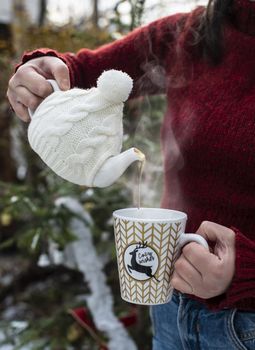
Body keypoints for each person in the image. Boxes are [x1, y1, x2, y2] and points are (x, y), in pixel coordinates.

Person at [7, 0, 255, 349]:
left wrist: (247, 272)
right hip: (170, 309)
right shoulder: (189, 35)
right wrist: (44, 72)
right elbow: (80, 74)